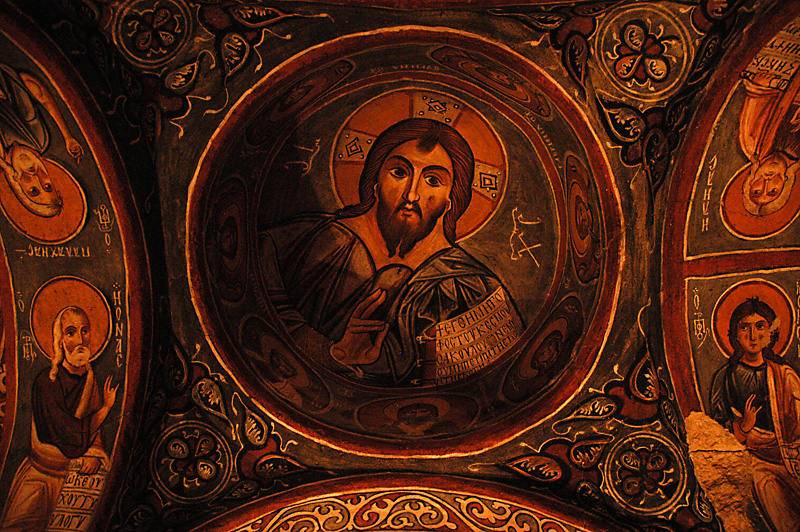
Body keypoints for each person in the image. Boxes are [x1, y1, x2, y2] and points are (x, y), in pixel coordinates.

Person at [260, 118, 522, 386]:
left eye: (433, 181)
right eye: (399, 172)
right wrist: (333, 354)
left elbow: (482, 386)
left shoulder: (473, 289)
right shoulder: (299, 241)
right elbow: (261, 315)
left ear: (450, 200)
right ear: (375, 179)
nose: (412, 195)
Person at [0, 306, 117, 532]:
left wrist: (95, 452)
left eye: (85, 331)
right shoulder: (46, 383)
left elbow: (93, 434)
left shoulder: (91, 380)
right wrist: (106, 409)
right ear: (60, 340)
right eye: (71, 333)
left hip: (77, 480)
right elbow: (68, 433)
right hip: (41, 477)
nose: (80, 340)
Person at [710, 297, 800, 532]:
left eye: (760, 326)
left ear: (771, 333)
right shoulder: (725, 378)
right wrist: (743, 427)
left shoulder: (785, 375)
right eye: (744, 327)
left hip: (791, 457)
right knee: (768, 489)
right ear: (735, 335)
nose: (753, 335)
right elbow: (714, 431)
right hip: (756, 459)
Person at [0, 64, 83, 217]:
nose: (37, 178)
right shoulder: (39, 139)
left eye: (33, 190)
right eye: (48, 186)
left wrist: (6, 167)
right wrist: (67, 137)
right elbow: (36, 90)